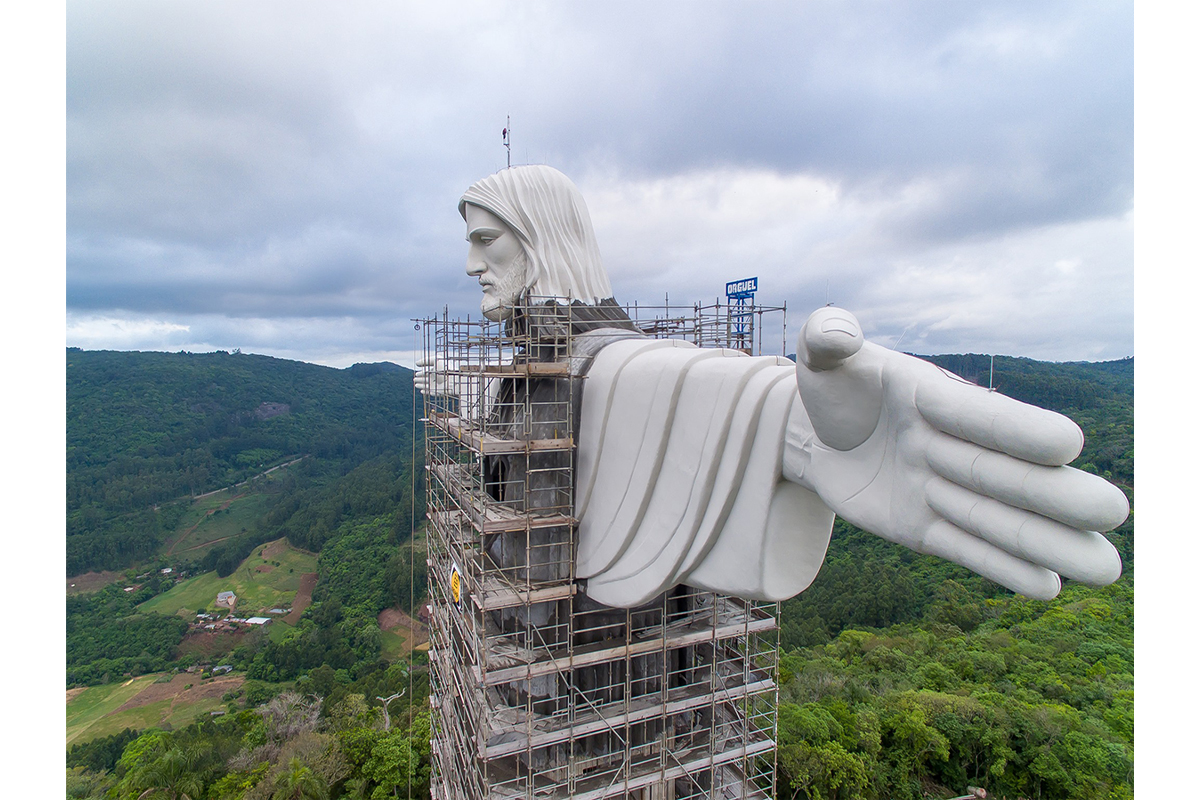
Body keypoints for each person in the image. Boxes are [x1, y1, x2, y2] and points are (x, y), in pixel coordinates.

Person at [417, 164, 1127, 610]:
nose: (472, 263)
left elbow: (701, 385)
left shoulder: (615, 364)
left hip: (598, 697)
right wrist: (459, 392)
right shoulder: (527, 372)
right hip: (532, 667)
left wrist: (801, 428)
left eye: (488, 240)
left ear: (543, 241)